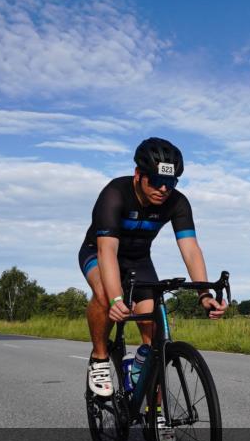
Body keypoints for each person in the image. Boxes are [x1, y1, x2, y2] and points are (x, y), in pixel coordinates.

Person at [79, 137, 227, 396]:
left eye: (171, 182)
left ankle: (147, 388)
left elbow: (191, 249)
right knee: (103, 293)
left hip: (138, 261)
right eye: (157, 181)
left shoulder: (177, 202)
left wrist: (204, 294)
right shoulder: (115, 193)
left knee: (154, 330)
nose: (163, 189)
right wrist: (116, 299)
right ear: (138, 174)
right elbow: (107, 250)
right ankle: (100, 357)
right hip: (98, 252)